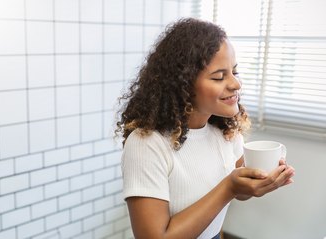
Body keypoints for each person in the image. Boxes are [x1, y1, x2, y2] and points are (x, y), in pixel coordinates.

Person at [115, 18, 295, 239]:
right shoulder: (146, 144)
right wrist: (228, 188)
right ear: (182, 84)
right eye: (219, 76)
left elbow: (239, 192)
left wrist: (259, 179)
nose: (236, 84)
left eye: (234, 72)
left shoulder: (225, 133)